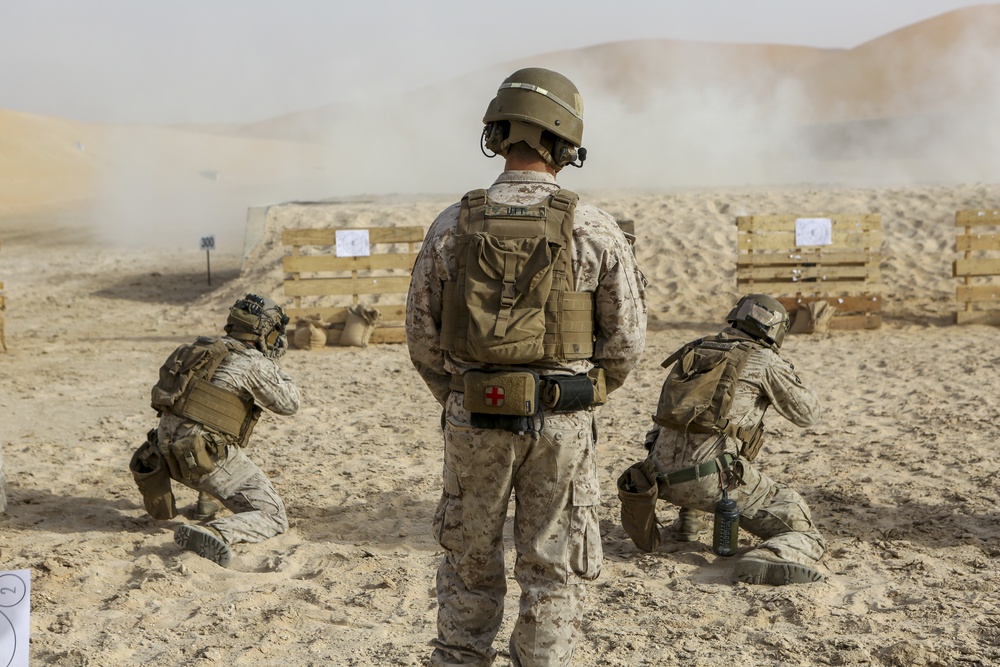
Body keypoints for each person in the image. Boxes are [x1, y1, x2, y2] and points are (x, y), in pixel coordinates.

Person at [406, 67, 648, 666]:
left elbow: (420, 336)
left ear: (497, 133)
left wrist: (463, 393)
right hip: (562, 420)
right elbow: (627, 342)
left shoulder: (451, 225)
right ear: (564, 142)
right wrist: (581, 393)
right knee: (551, 569)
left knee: (469, 563)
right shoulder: (593, 227)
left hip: (473, 415)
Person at [623, 293, 825, 586]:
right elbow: (808, 415)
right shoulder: (765, 360)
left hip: (657, 477)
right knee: (801, 524)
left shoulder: (696, 348)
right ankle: (771, 557)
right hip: (709, 480)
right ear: (776, 331)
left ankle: (689, 522)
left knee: (703, 437)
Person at [130, 294, 299, 568]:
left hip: (163, 453)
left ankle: (208, 499)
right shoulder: (253, 363)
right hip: (201, 459)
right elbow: (290, 403)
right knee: (274, 516)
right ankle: (216, 532)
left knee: (221, 432)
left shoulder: (198, 349)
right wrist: (274, 367)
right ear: (264, 332)